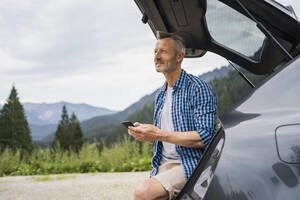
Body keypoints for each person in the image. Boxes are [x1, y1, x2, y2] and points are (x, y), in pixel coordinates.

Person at [128, 31, 217, 200]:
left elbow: (205, 137)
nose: (156, 57)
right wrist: (147, 136)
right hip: (161, 165)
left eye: (163, 52)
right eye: (155, 52)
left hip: (189, 163)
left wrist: (158, 134)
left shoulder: (198, 88)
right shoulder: (160, 95)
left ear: (179, 57)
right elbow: (165, 138)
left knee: (143, 193)